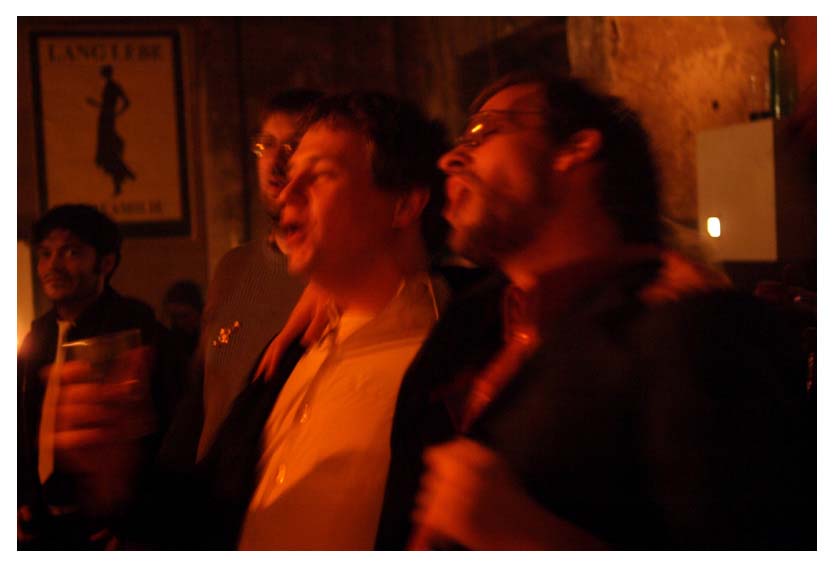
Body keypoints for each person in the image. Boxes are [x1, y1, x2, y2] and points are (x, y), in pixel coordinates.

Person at [373, 71, 813, 550]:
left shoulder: (684, 331)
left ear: (575, 148)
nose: (450, 158)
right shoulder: (464, 324)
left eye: (485, 131)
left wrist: (530, 537)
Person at [186, 91, 450, 550]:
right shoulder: (289, 354)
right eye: (291, 173)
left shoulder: (450, 372)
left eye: (323, 174)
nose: (287, 192)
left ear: (404, 204)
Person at [18, 204, 173, 549]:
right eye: (45, 254)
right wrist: (19, 495)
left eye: (71, 252)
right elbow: (21, 422)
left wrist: (137, 518)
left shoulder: (135, 330)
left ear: (105, 263)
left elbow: (167, 432)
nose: (52, 266)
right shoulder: (38, 335)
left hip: (106, 526)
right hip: (40, 523)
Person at [190, 89, 322, 462]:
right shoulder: (233, 267)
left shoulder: (334, 275)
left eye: (293, 146)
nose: (276, 161)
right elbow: (205, 393)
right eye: (267, 144)